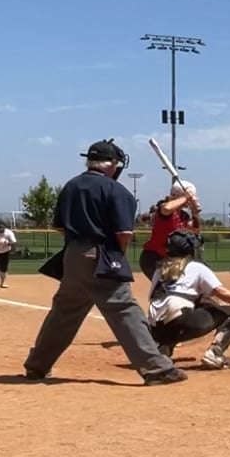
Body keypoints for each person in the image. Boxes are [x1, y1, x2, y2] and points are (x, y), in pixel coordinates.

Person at [22, 139, 184, 385]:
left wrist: (80, 247)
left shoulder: (71, 186)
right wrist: (114, 257)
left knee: (64, 312)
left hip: (72, 255)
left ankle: (37, 365)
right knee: (124, 309)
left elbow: (60, 227)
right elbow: (124, 234)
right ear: (112, 164)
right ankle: (156, 368)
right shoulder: (116, 190)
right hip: (102, 255)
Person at [147, 230, 230, 369]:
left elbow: (152, 297)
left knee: (183, 305)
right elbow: (221, 292)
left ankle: (163, 348)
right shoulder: (196, 267)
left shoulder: (160, 269)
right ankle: (214, 353)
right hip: (181, 321)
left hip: (156, 330)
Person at [139, 180, 201, 291]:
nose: (190, 200)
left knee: (177, 289)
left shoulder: (184, 215)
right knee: (169, 290)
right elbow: (166, 208)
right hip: (154, 258)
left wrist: (195, 213)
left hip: (169, 260)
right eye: (189, 197)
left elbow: (196, 230)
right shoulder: (165, 210)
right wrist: (186, 197)